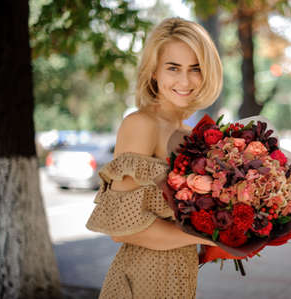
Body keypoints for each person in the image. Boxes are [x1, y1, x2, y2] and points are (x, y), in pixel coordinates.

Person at [85, 17, 222, 298]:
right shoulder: (141, 124)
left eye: (195, 69)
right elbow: (123, 230)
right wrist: (212, 237)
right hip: (141, 281)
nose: (185, 80)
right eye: (173, 68)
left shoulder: (191, 135)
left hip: (181, 279)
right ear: (154, 71)